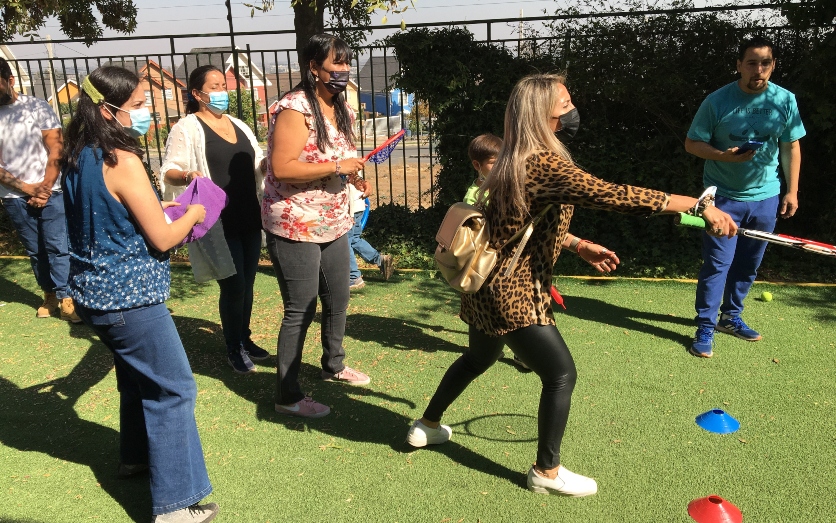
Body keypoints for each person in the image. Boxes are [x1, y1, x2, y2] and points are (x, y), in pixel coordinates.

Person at [406, 73, 737, 497]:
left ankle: (426, 426)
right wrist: (697, 205)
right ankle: (546, 472)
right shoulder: (543, 164)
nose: (572, 108)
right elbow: (614, 194)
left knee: (476, 360)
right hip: (515, 293)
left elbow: (518, 227)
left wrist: (577, 246)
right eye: (564, 103)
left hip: (483, 286)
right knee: (561, 374)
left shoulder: (513, 159)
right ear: (543, 113)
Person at [62, 66, 218, 522]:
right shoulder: (121, 159)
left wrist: (159, 205)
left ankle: (134, 458)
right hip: (130, 300)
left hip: (94, 295)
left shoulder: (78, 154)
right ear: (108, 110)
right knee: (174, 390)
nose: (147, 114)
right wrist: (193, 212)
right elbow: (164, 239)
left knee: (134, 379)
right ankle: (174, 507)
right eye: (139, 106)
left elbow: (110, 210)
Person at [263, 33, 371, 419]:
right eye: (335, 64)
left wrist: (352, 175)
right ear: (313, 67)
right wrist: (338, 167)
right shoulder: (294, 108)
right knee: (301, 308)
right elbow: (282, 168)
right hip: (295, 222)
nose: (342, 71)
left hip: (334, 218)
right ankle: (287, 395)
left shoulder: (340, 106)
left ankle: (334, 365)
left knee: (338, 298)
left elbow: (339, 156)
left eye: (345, 63)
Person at [685, 35, 805, 358]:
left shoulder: (785, 101)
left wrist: (792, 191)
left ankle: (731, 317)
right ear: (739, 65)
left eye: (765, 63)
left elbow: (791, 146)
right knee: (717, 264)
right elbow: (692, 143)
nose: (758, 69)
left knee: (749, 263)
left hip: (766, 197)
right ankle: (705, 327)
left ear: (773, 65)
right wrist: (724, 156)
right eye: (751, 63)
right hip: (722, 198)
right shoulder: (717, 101)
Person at [160, 64, 270, 374]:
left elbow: (256, 164)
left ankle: (244, 338)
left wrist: (268, 164)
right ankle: (233, 347)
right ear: (197, 93)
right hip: (217, 221)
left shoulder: (238, 124)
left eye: (225, 84)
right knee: (233, 286)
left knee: (247, 285)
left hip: (248, 214)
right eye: (216, 85)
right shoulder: (187, 127)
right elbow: (168, 169)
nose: (223, 91)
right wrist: (186, 174)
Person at [0, 56, 80, 323]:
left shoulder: (36, 108)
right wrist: (26, 188)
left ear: (10, 81)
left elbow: (56, 149)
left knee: (58, 246)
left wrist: (44, 188)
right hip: (14, 195)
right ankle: (50, 295)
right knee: (36, 250)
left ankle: (67, 297)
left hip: (51, 191)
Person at [347, 182, 393, 290]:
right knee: (354, 239)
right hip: (358, 204)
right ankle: (380, 259)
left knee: (345, 243)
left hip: (350, 206)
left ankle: (354, 277)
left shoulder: (340, 165)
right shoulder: (355, 165)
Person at [463, 133, 501, 205]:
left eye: (502, 162)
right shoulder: (472, 199)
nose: (500, 167)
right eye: (494, 163)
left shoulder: (504, 189)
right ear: (477, 165)